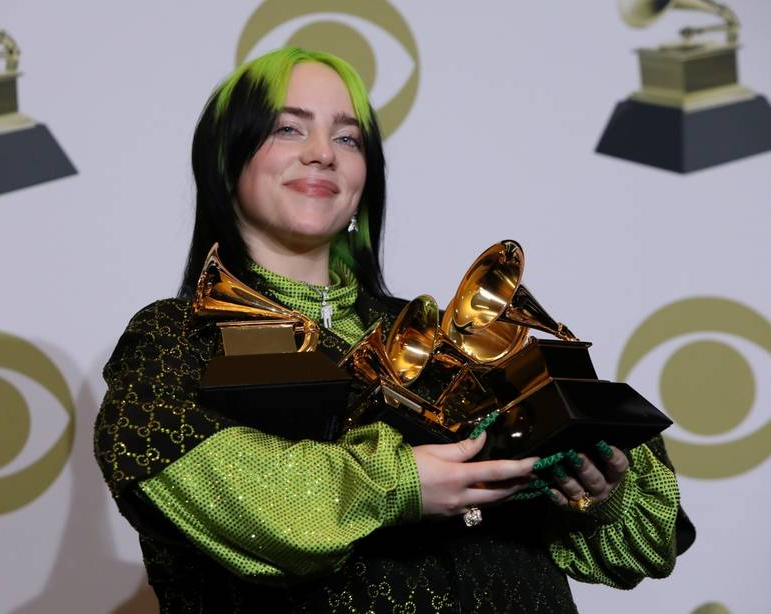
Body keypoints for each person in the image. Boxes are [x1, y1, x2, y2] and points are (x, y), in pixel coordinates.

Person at [94, 47, 693, 613]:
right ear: (225, 161)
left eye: (347, 137)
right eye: (288, 127)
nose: (323, 152)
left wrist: (595, 491)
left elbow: (643, 545)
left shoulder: (450, 335)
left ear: (364, 182)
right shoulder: (174, 339)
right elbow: (227, 493)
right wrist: (402, 481)